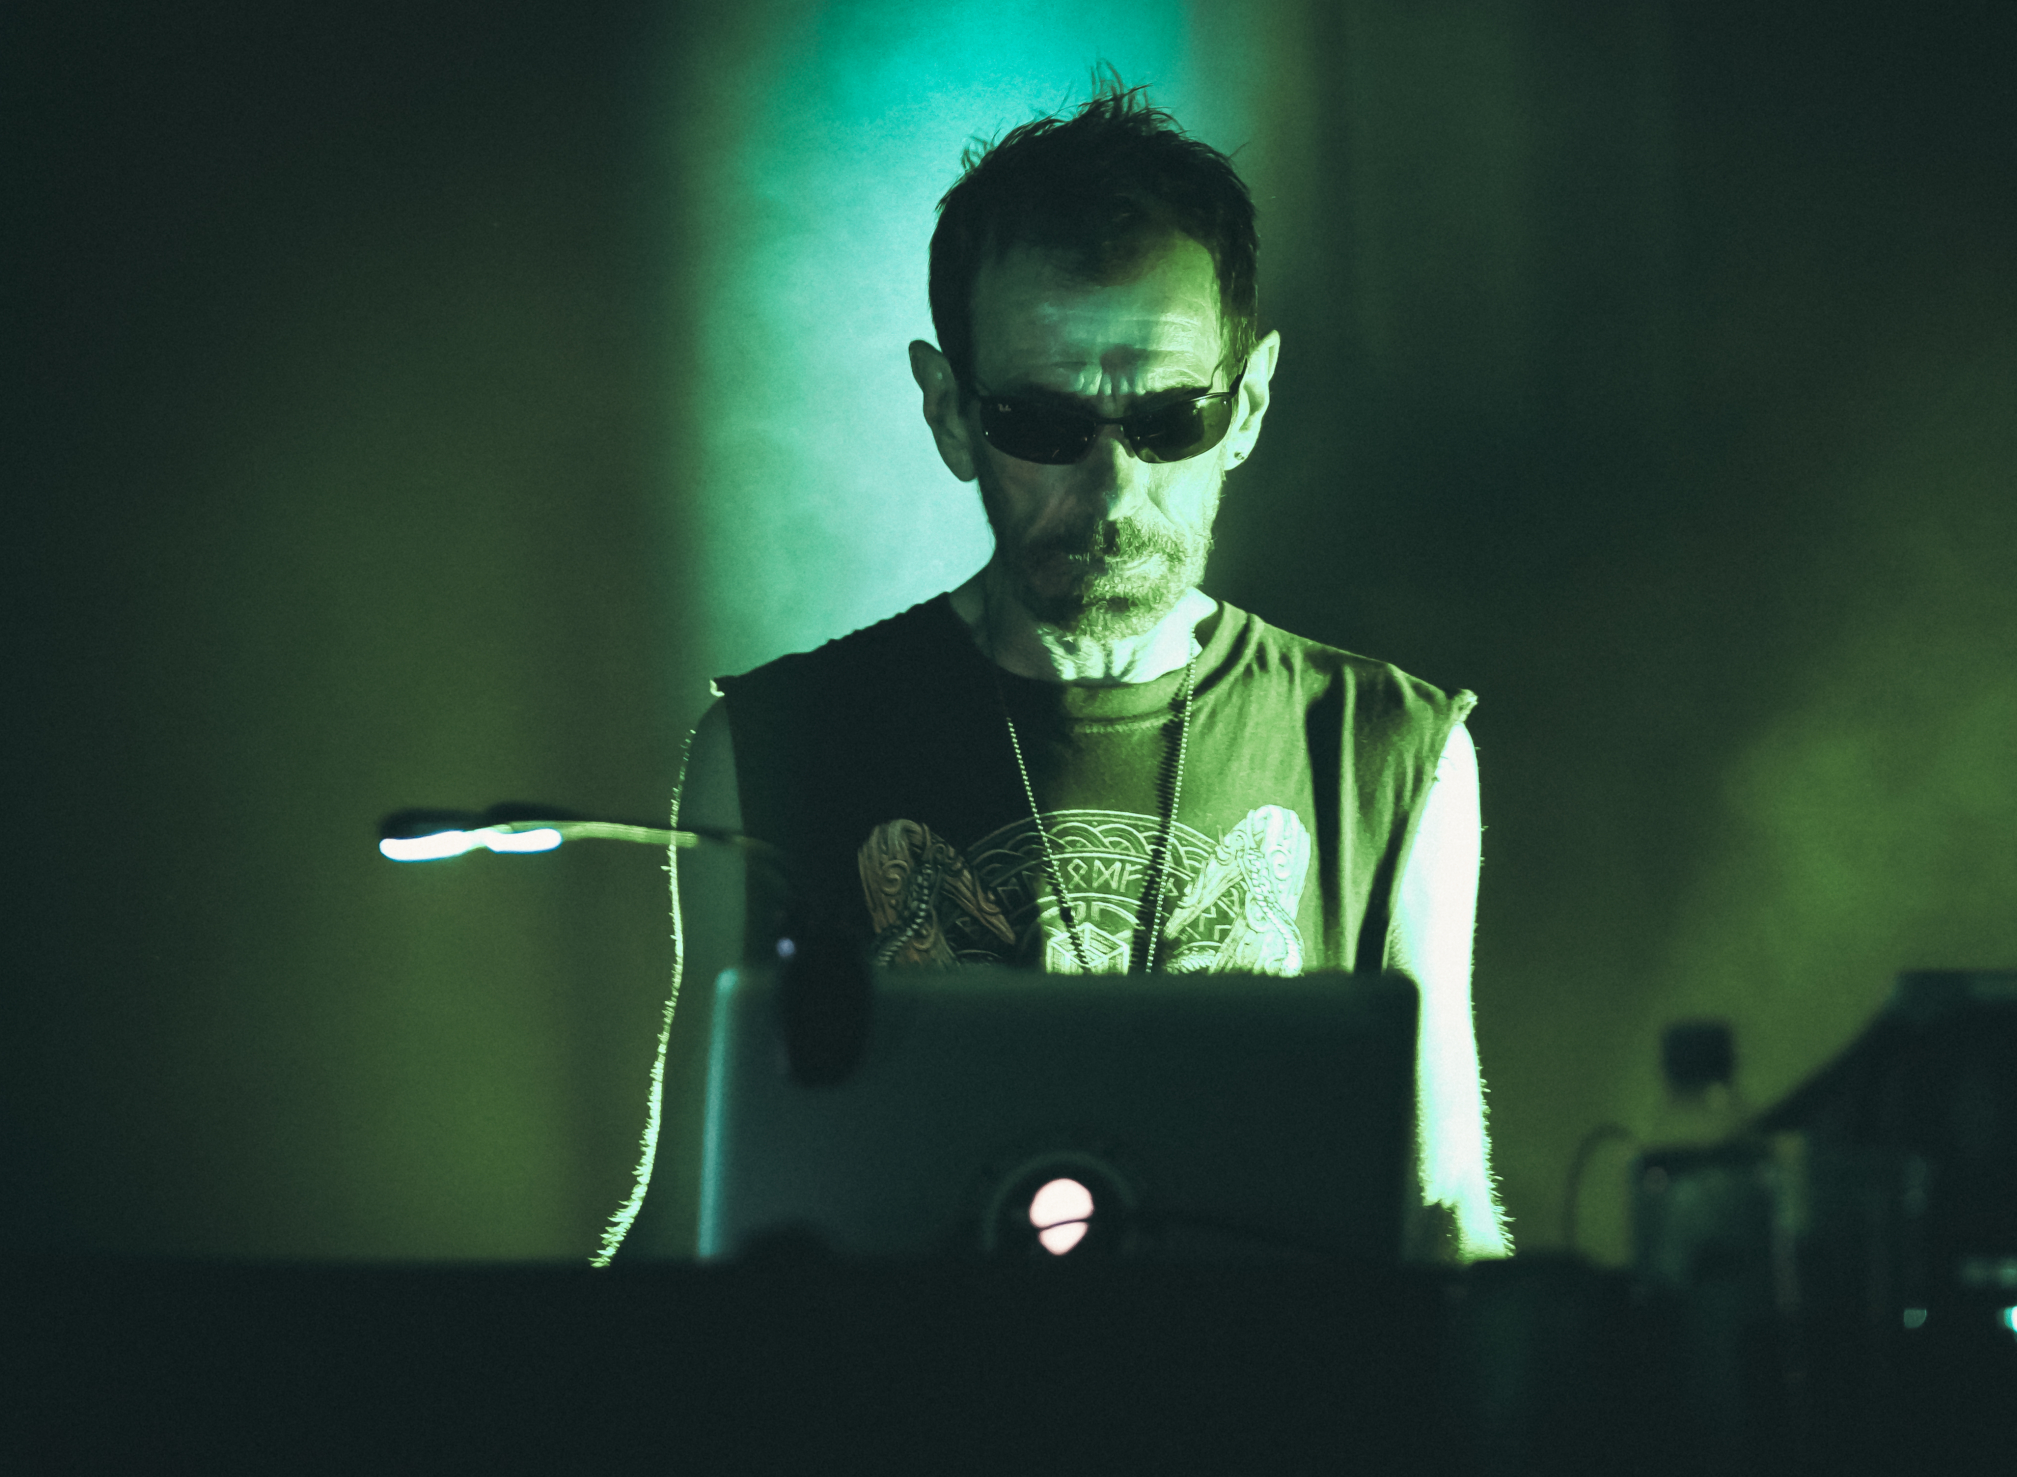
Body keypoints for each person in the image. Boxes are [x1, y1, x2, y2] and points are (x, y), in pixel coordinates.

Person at [599, 81, 1509, 1264]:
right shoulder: (774, 751)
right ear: (947, 412)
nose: (1115, 487)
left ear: (1248, 405)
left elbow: (1440, 1209)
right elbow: (688, 1226)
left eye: (1171, 421)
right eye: (1042, 423)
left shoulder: (1392, 749)